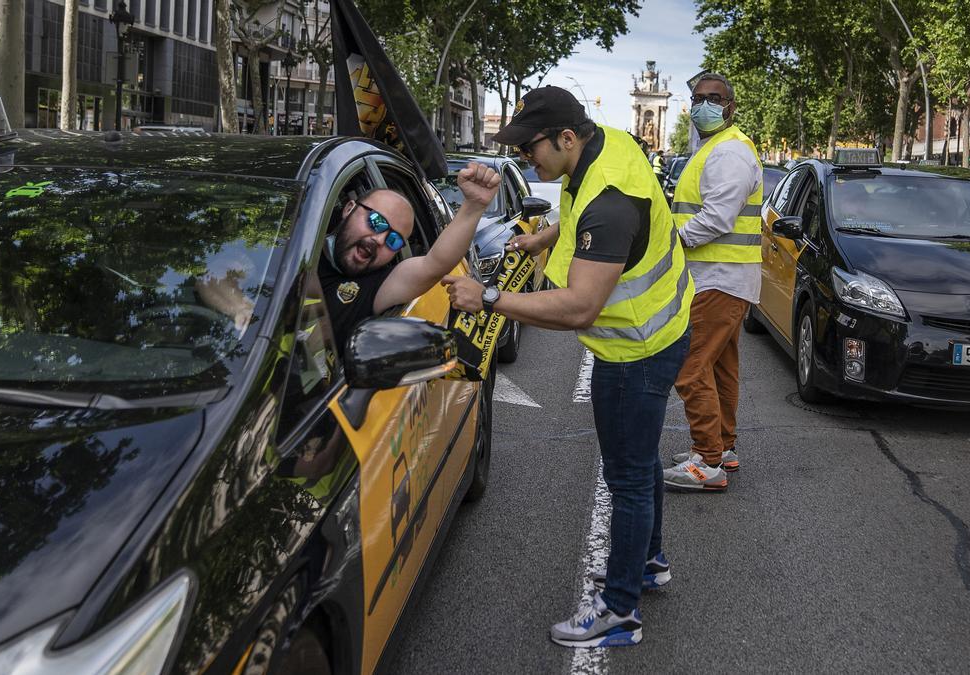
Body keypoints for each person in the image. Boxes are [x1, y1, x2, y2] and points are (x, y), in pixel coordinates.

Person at [441, 86, 693, 648]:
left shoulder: (609, 201)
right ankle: (647, 563)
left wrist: (486, 299)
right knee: (639, 460)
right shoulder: (610, 147)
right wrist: (545, 239)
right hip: (659, 333)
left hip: (635, 352)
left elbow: (580, 306)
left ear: (567, 137)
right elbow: (585, 221)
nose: (526, 159)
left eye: (530, 148)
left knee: (626, 476)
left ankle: (620, 610)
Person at [663, 72, 762, 493]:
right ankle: (723, 447)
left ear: (730, 106)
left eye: (714, 98)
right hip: (721, 278)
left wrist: (670, 240)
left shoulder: (729, 153)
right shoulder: (713, 149)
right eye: (698, 98)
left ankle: (707, 460)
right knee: (721, 367)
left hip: (720, 280)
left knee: (689, 365)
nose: (704, 104)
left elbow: (718, 218)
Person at [317, 163, 500, 348]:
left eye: (393, 240)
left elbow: (434, 265)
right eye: (376, 222)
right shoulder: (296, 247)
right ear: (349, 208)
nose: (380, 240)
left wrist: (474, 206)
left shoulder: (376, 286)